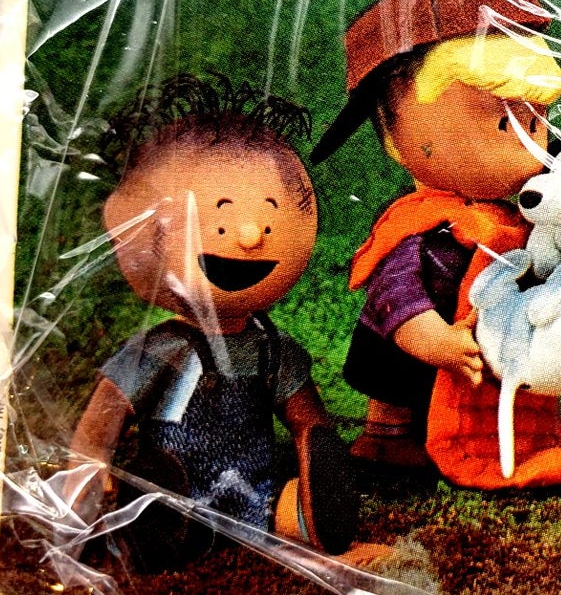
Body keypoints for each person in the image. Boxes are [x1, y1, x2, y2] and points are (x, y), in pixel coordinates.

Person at [312, 0, 561, 491]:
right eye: (504, 123)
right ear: (397, 140)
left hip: (479, 345)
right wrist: (436, 340)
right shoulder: (418, 228)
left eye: (534, 122)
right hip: (419, 342)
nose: (530, 145)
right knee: (395, 380)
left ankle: (488, 430)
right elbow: (397, 295)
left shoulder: (519, 220)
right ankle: (387, 434)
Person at [65, 75, 357, 567]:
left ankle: (302, 514)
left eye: (270, 212)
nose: (250, 234)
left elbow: (308, 420)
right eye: (220, 211)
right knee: (164, 506)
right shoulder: (162, 350)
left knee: (280, 510)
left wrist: (317, 453)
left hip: (254, 488)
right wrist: (89, 463)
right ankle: (151, 522)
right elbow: (103, 421)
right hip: (178, 485)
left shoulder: (271, 350)